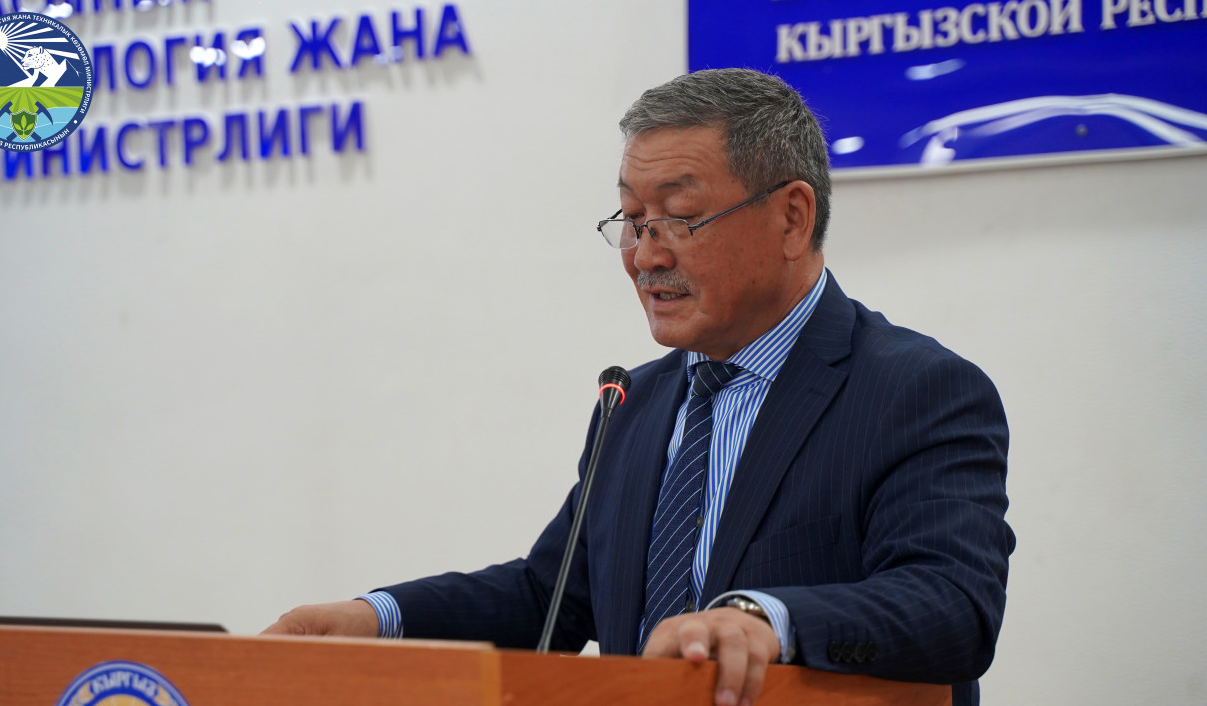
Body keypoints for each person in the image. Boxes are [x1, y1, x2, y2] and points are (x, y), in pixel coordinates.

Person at [263, 68, 1014, 706]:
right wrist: (378, 618)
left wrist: (764, 619)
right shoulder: (634, 403)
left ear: (792, 217)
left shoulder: (917, 390)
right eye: (631, 219)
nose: (644, 256)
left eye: (679, 218)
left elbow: (954, 607)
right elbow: (549, 598)